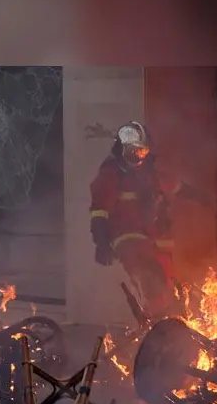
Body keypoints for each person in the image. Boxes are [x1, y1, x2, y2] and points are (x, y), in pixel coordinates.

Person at [89, 121, 210, 320]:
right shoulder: (111, 175)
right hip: (128, 239)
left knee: (170, 288)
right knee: (149, 278)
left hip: (155, 241)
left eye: (143, 151)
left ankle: (173, 324)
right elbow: (99, 211)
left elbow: (175, 186)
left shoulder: (149, 174)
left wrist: (200, 197)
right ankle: (161, 324)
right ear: (122, 150)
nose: (139, 156)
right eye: (134, 151)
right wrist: (101, 243)